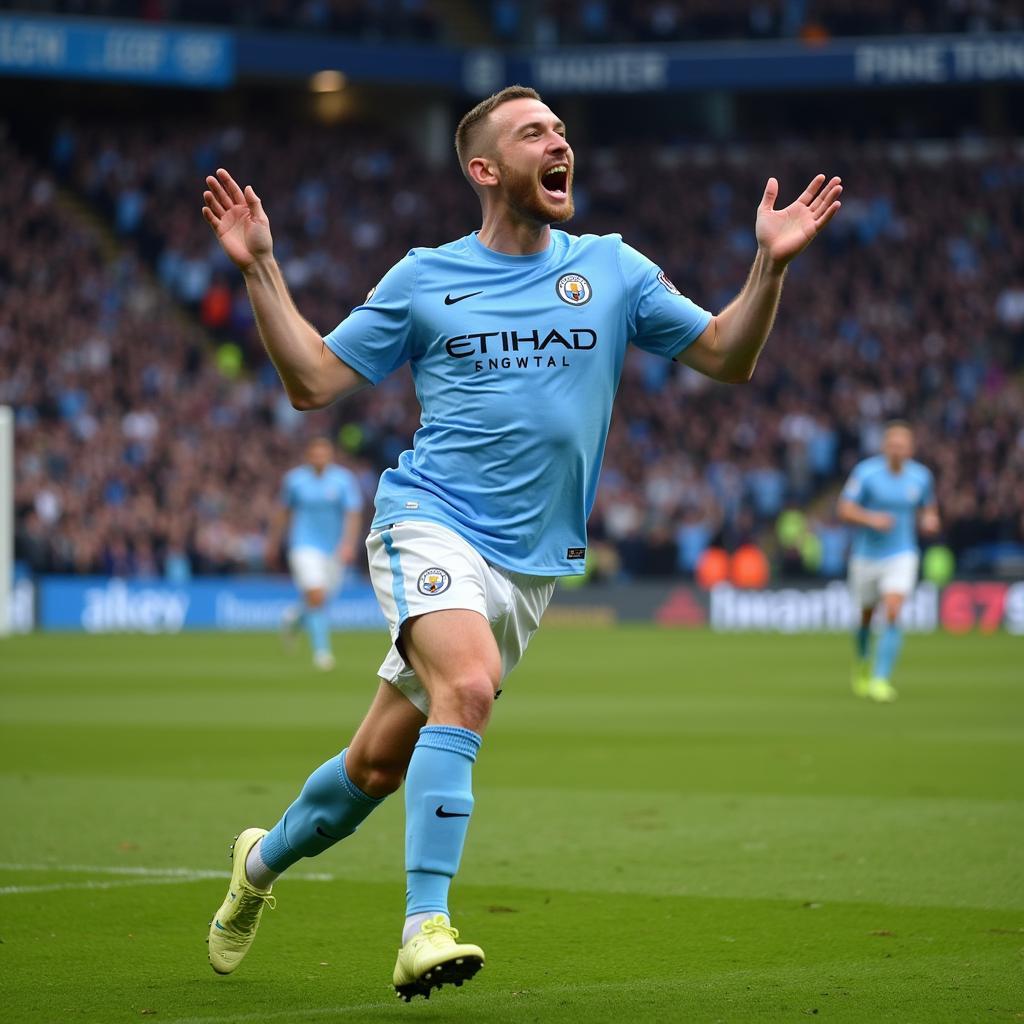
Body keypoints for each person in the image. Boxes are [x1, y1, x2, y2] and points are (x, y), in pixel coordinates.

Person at [200, 85, 842, 999]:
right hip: (427, 520)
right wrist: (260, 264)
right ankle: (424, 926)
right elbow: (312, 380)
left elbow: (726, 356)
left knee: (375, 767)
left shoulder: (614, 268)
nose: (559, 141)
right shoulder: (425, 276)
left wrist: (769, 267)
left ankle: (257, 864)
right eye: (534, 131)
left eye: (562, 130)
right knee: (466, 689)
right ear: (484, 168)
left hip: (529, 566)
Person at [838, 422, 940, 702]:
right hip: (866, 556)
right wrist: (872, 519)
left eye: (902, 445)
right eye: (892, 445)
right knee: (866, 616)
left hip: (902, 553)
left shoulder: (921, 477)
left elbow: (928, 507)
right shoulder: (866, 473)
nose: (897, 450)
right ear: (884, 447)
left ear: (910, 449)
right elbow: (844, 509)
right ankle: (862, 661)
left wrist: (930, 519)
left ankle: (880, 679)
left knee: (893, 611)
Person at [267, 436, 363, 671]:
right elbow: (283, 512)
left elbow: (353, 514)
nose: (319, 457)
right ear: (309, 455)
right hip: (303, 546)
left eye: (324, 453)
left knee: (319, 600)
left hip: (333, 549)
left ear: (330, 455)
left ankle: (294, 618)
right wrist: (273, 542)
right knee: (317, 596)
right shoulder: (295, 481)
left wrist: (349, 543)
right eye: (315, 453)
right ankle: (322, 653)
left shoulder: (343, 480)